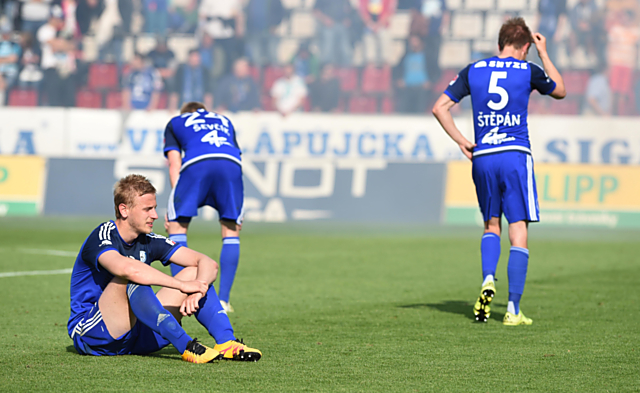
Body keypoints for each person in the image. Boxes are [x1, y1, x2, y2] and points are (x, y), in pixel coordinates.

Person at [432, 17, 566, 326]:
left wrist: (464, 143)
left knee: (491, 224)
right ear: (526, 47)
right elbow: (560, 90)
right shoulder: (528, 69)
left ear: (499, 44)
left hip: (484, 155)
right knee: (518, 228)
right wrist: (544, 55)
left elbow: (440, 107)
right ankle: (513, 310)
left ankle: (488, 279)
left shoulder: (474, 70)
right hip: (514, 154)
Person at [68, 174, 261, 362]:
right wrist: (181, 285)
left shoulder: (149, 240)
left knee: (196, 273)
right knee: (134, 276)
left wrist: (197, 290)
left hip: (136, 337)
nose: (155, 215)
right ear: (124, 210)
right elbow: (129, 270)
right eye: (147, 209)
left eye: (155, 208)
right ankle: (186, 346)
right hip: (94, 334)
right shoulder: (102, 236)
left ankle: (226, 342)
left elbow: (208, 263)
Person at [164, 102, 244, 313]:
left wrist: (174, 202)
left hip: (197, 164)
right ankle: (223, 301)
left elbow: (174, 164)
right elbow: (234, 154)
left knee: (177, 226)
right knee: (231, 229)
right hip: (231, 165)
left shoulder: (176, 122)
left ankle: (182, 295)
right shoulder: (225, 120)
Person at [394, 34, 430, 113]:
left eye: (415, 41)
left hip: (421, 88)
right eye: (411, 42)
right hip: (406, 87)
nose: (413, 44)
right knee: (403, 112)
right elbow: (397, 70)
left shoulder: (427, 56)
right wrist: (399, 80)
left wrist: (430, 81)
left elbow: (435, 71)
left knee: (419, 112)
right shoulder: (405, 56)